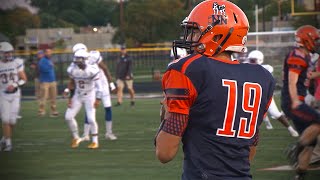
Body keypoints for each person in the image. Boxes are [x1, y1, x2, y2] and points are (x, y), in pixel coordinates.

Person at [155, 1, 275, 179]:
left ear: (217, 36)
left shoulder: (189, 69)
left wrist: (167, 116)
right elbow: (249, 150)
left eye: (195, 31)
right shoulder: (263, 77)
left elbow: (164, 153)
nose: (189, 38)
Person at [281, 25, 320, 180]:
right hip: (293, 101)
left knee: (312, 140)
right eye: (315, 40)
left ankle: (300, 174)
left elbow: (302, 77)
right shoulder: (297, 55)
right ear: (307, 39)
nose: (317, 43)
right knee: (318, 122)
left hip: (297, 100)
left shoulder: (304, 55)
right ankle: (296, 148)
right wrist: (296, 100)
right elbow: (292, 80)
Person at [66, 43, 117, 141]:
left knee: (107, 107)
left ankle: (109, 133)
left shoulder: (94, 56)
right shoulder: (75, 64)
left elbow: (105, 69)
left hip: (102, 83)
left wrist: (111, 84)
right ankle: (86, 134)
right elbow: (74, 79)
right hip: (90, 87)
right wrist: (68, 91)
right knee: (89, 110)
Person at [246, 50, 299, 137]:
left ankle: (290, 129)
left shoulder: (267, 68)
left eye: (253, 60)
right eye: (250, 60)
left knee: (275, 113)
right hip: (252, 95)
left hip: (265, 95)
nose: (250, 62)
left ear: (260, 60)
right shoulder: (247, 67)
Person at [64, 49, 102, 149]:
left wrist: (98, 99)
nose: (77, 61)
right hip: (78, 94)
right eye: (76, 59)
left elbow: (99, 86)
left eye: (79, 59)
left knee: (91, 119)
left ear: (85, 59)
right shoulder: (72, 69)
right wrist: (69, 97)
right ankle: (76, 137)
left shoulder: (92, 69)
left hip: (90, 95)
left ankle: (95, 141)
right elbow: (72, 83)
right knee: (68, 117)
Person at [0, 42, 27, 151]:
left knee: (13, 121)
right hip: (3, 94)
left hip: (15, 94)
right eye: (6, 53)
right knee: (6, 119)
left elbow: (24, 79)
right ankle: (8, 144)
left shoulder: (17, 62)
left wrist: (14, 85)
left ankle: (4, 139)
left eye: (10, 52)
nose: (8, 55)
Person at [38, 48, 59, 117]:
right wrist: (50, 66)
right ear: (45, 53)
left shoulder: (50, 60)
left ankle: (53, 111)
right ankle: (41, 111)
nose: (50, 53)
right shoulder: (42, 60)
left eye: (50, 52)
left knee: (53, 97)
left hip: (52, 81)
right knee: (44, 97)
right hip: (45, 81)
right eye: (48, 52)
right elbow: (43, 69)